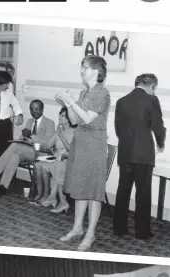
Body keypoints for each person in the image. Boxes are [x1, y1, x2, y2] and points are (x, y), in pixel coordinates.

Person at [55, 55, 111, 251]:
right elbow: (74, 120)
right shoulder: (84, 93)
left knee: (93, 191)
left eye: (85, 68)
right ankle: (77, 228)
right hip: (80, 142)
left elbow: (87, 118)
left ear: (96, 71)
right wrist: (69, 103)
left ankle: (90, 234)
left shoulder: (102, 93)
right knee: (80, 187)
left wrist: (72, 102)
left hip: (94, 144)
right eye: (82, 68)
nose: (82, 71)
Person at [113, 73, 166, 240]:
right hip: (143, 154)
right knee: (143, 193)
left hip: (125, 152)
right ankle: (142, 232)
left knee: (123, 191)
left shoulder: (121, 101)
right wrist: (161, 142)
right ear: (150, 86)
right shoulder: (152, 100)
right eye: (154, 88)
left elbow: (118, 129)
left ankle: (119, 228)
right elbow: (158, 125)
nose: (154, 92)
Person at [0, 99, 55, 198]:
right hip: (26, 152)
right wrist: (22, 137)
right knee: (14, 156)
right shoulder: (30, 121)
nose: (34, 111)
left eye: (37, 109)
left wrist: (31, 136)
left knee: (14, 146)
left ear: (42, 109)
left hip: (41, 153)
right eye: (32, 109)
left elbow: (48, 145)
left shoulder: (49, 123)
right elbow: (23, 138)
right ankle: (2, 187)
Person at [35, 106, 76, 210]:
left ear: (69, 119)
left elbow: (71, 151)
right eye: (60, 114)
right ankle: (48, 196)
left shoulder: (74, 132)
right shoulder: (59, 130)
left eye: (63, 115)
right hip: (59, 162)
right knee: (40, 165)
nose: (59, 117)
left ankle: (52, 198)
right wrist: (35, 141)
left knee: (58, 165)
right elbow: (48, 145)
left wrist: (60, 135)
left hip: (71, 163)